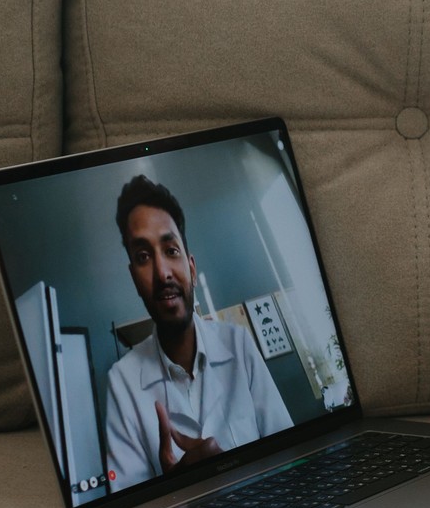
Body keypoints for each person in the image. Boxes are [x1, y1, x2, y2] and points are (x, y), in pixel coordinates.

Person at [103, 175, 293, 490]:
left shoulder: (239, 344)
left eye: (171, 250)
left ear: (191, 267)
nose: (162, 272)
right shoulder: (121, 381)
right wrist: (175, 491)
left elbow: (290, 459)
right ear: (134, 278)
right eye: (143, 257)